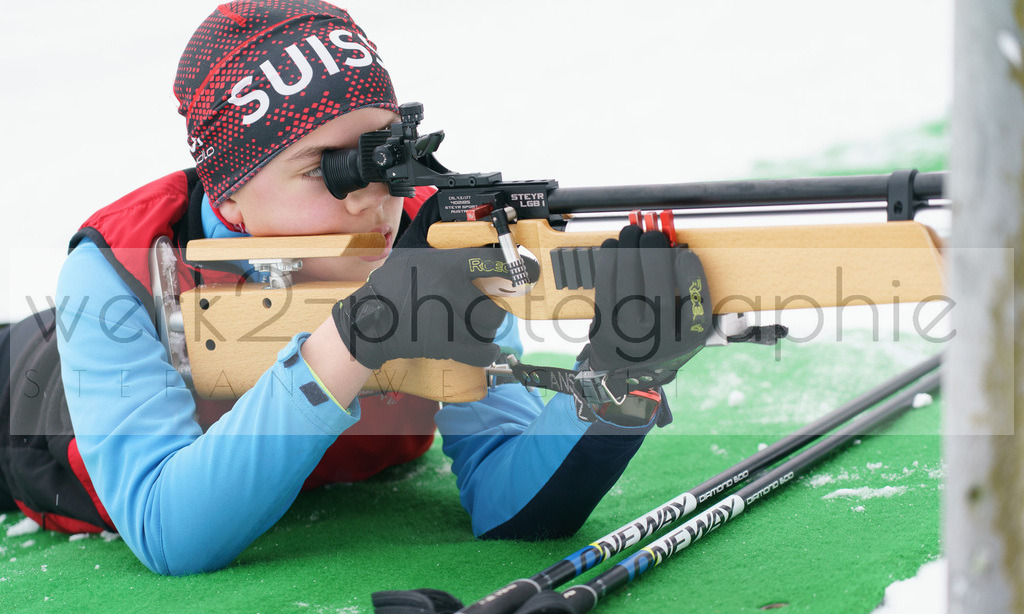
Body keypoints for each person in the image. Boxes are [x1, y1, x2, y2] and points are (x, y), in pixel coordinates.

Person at [0, 0, 707, 576]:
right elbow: (167, 529)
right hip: (34, 400)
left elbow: (505, 494)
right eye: (325, 169)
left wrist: (616, 381)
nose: (372, 200)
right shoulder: (121, 262)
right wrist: (356, 335)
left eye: (386, 155)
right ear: (233, 195)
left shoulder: (436, 233)